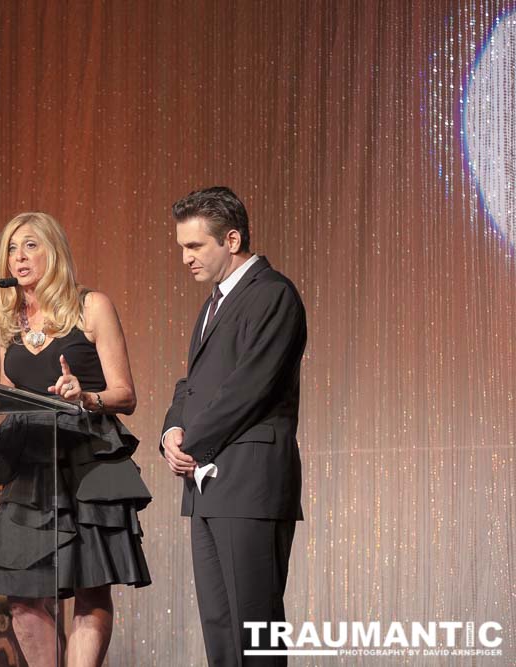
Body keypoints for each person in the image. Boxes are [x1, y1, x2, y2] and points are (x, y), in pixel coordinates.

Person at [0, 212, 151, 667]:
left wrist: (86, 395)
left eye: (30, 245)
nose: (19, 257)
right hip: (32, 466)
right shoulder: (7, 320)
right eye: (12, 249)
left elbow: (125, 395)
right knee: (22, 601)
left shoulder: (91, 306)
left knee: (89, 591)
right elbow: (8, 390)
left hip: (87, 459)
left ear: (53, 251)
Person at [160, 187, 306, 666]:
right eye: (182, 247)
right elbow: (192, 384)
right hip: (208, 486)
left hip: (249, 483)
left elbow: (250, 386)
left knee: (254, 630)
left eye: (195, 246)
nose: (185, 258)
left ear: (233, 239)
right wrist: (171, 432)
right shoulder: (213, 304)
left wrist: (193, 443)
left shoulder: (272, 295)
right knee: (221, 635)